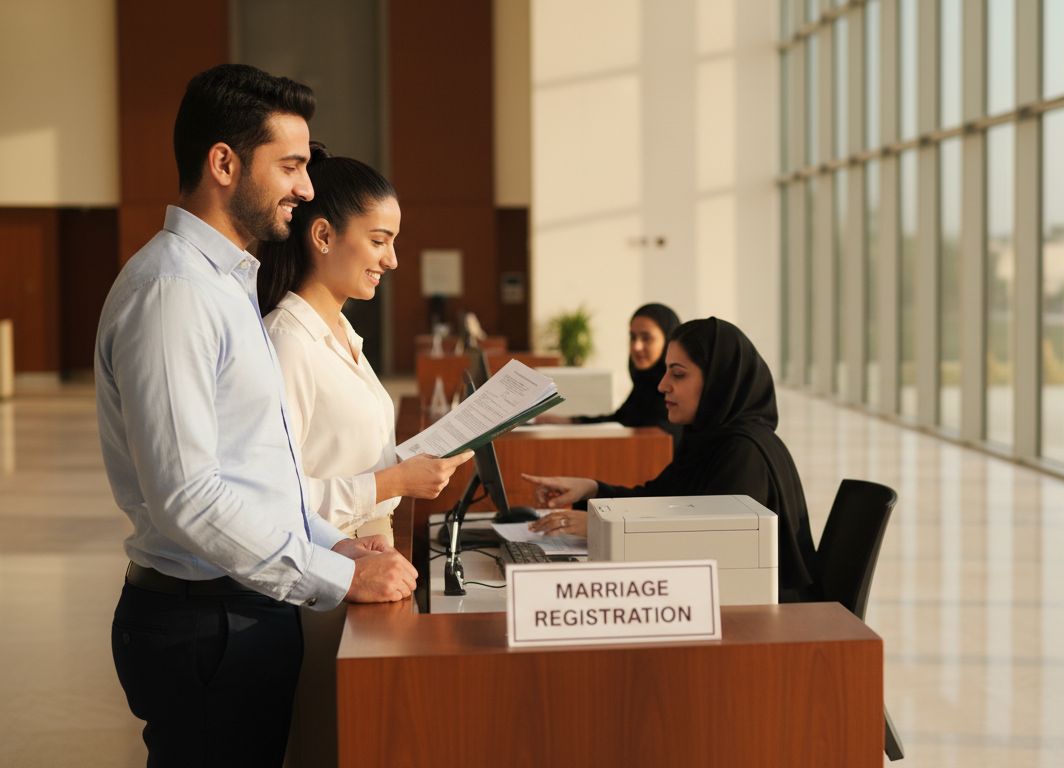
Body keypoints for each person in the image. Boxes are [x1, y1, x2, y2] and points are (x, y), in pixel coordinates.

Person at [96, 64, 420, 767]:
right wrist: (335, 575)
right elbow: (189, 496)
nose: (306, 188)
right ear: (224, 163)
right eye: (292, 165)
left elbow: (259, 470)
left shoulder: (224, 285)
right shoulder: (173, 293)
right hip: (204, 623)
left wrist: (330, 543)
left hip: (237, 607)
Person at [257, 144, 468, 545]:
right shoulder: (288, 342)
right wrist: (394, 481)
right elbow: (274, 498)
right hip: (325, 568)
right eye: (378, 241)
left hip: (363, 550)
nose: (392, 260)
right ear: (322, 235)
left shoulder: (340, 330)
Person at [523, 317, 817, 600]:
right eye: (666, 372)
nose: (663, 385)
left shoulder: (743, 453)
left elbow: (707, 551)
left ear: (718, 380)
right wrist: (592, 488)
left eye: (678, 374)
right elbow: (660, 503)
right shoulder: (709, 438)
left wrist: (600, 528)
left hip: (762, 622)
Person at [534, 303, 682, 444]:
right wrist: (571, 422)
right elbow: (620, 420)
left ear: (669, 341)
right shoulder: (644, 382)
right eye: (633, 337)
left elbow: (664, 442)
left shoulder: (677, 389)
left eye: (646, 338)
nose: (636, 346)